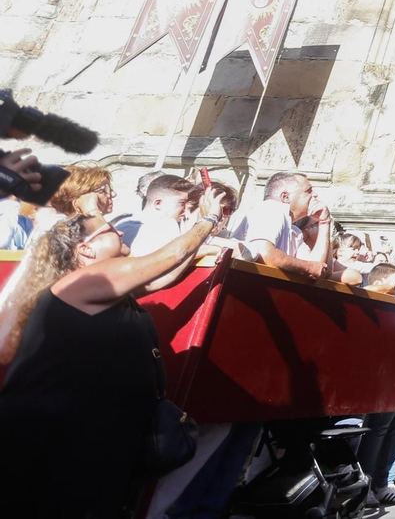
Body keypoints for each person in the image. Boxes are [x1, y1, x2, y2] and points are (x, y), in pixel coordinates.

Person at [0, 189, 227, 517]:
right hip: (55, 436)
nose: (119, 231)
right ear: (86, 249)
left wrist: (201, 237)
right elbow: (170, 257)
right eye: (109, 230)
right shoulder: (89, 278)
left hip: (82, 435)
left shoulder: (103, 284)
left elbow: (167, 273)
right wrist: (207, 220)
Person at [230, 171, 332, 278]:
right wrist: (309, 267)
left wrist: (324, 222)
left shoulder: (294, 232)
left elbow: (319, 269)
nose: (315, 194)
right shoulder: (270, 208)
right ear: (285, 197)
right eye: (308, 191)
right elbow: (264, 253)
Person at [116, 173, 196, 255]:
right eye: (182, 203)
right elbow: (176, 257)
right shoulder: (165, 226)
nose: (186, 210)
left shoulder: (121, 224)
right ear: (158, 203)